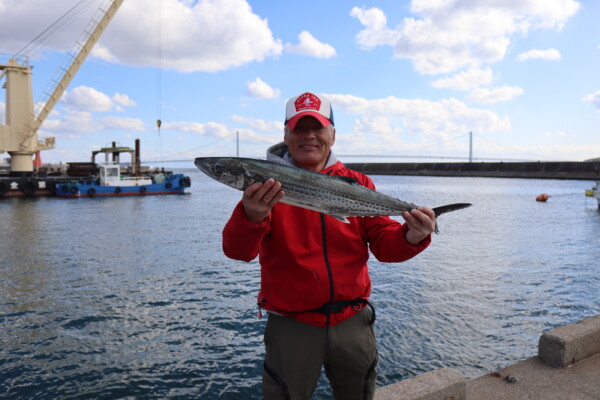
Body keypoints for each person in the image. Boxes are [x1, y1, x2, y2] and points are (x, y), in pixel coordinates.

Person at [222, 92, 436, 400]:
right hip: (291, 325)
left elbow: (385, 244)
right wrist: (251, 216)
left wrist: (413, 235)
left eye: (318, 127)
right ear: (285, 135)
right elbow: (238, 252)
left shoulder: (357, 181)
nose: (308, 135)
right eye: (298, 128)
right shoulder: (266, 184)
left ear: (332, 135)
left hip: (353, 321)